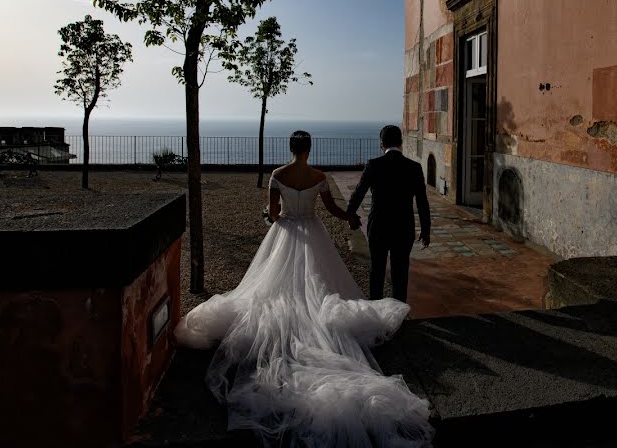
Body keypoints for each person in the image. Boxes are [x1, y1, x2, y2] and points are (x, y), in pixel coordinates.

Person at [175, 130, 433, 447]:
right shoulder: (318, 175)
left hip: (284, 232)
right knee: (319, 281)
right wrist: (349, 218)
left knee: (271, 286)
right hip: (313, 233)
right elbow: (331, 209)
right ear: (309, 150)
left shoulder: (277, 175)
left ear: (290, 148)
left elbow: (272, 213)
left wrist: (274, 218)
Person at [346, 124, 431, 302]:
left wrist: (351, 214)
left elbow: (358, 193)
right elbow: (422, 202)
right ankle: (398, 313)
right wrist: (425, 229)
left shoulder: (374, 165)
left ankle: (376, 310)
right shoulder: (414, 167)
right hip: (404, 227)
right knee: (400, 273)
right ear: (401, 142)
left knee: (376, 270)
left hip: (378, 226)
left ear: (381, 143)